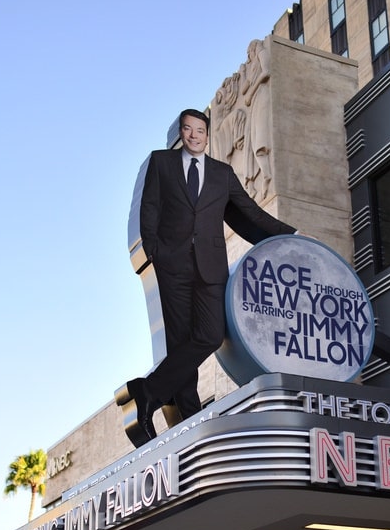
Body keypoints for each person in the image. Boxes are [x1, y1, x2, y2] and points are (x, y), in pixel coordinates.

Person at [124, 108, 297, 447]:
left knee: (209, 335)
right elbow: (150, 209)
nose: (194, 136)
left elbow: (248, 213)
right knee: (179, 344)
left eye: (200, 130)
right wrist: (156, 254)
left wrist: (291, 235)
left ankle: (147, 392)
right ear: (183, 134)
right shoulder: (161, 164)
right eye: (188, 130)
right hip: (173, 265)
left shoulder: (222, 173)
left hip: (210, 267)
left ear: (207, 134)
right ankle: (186, 428)